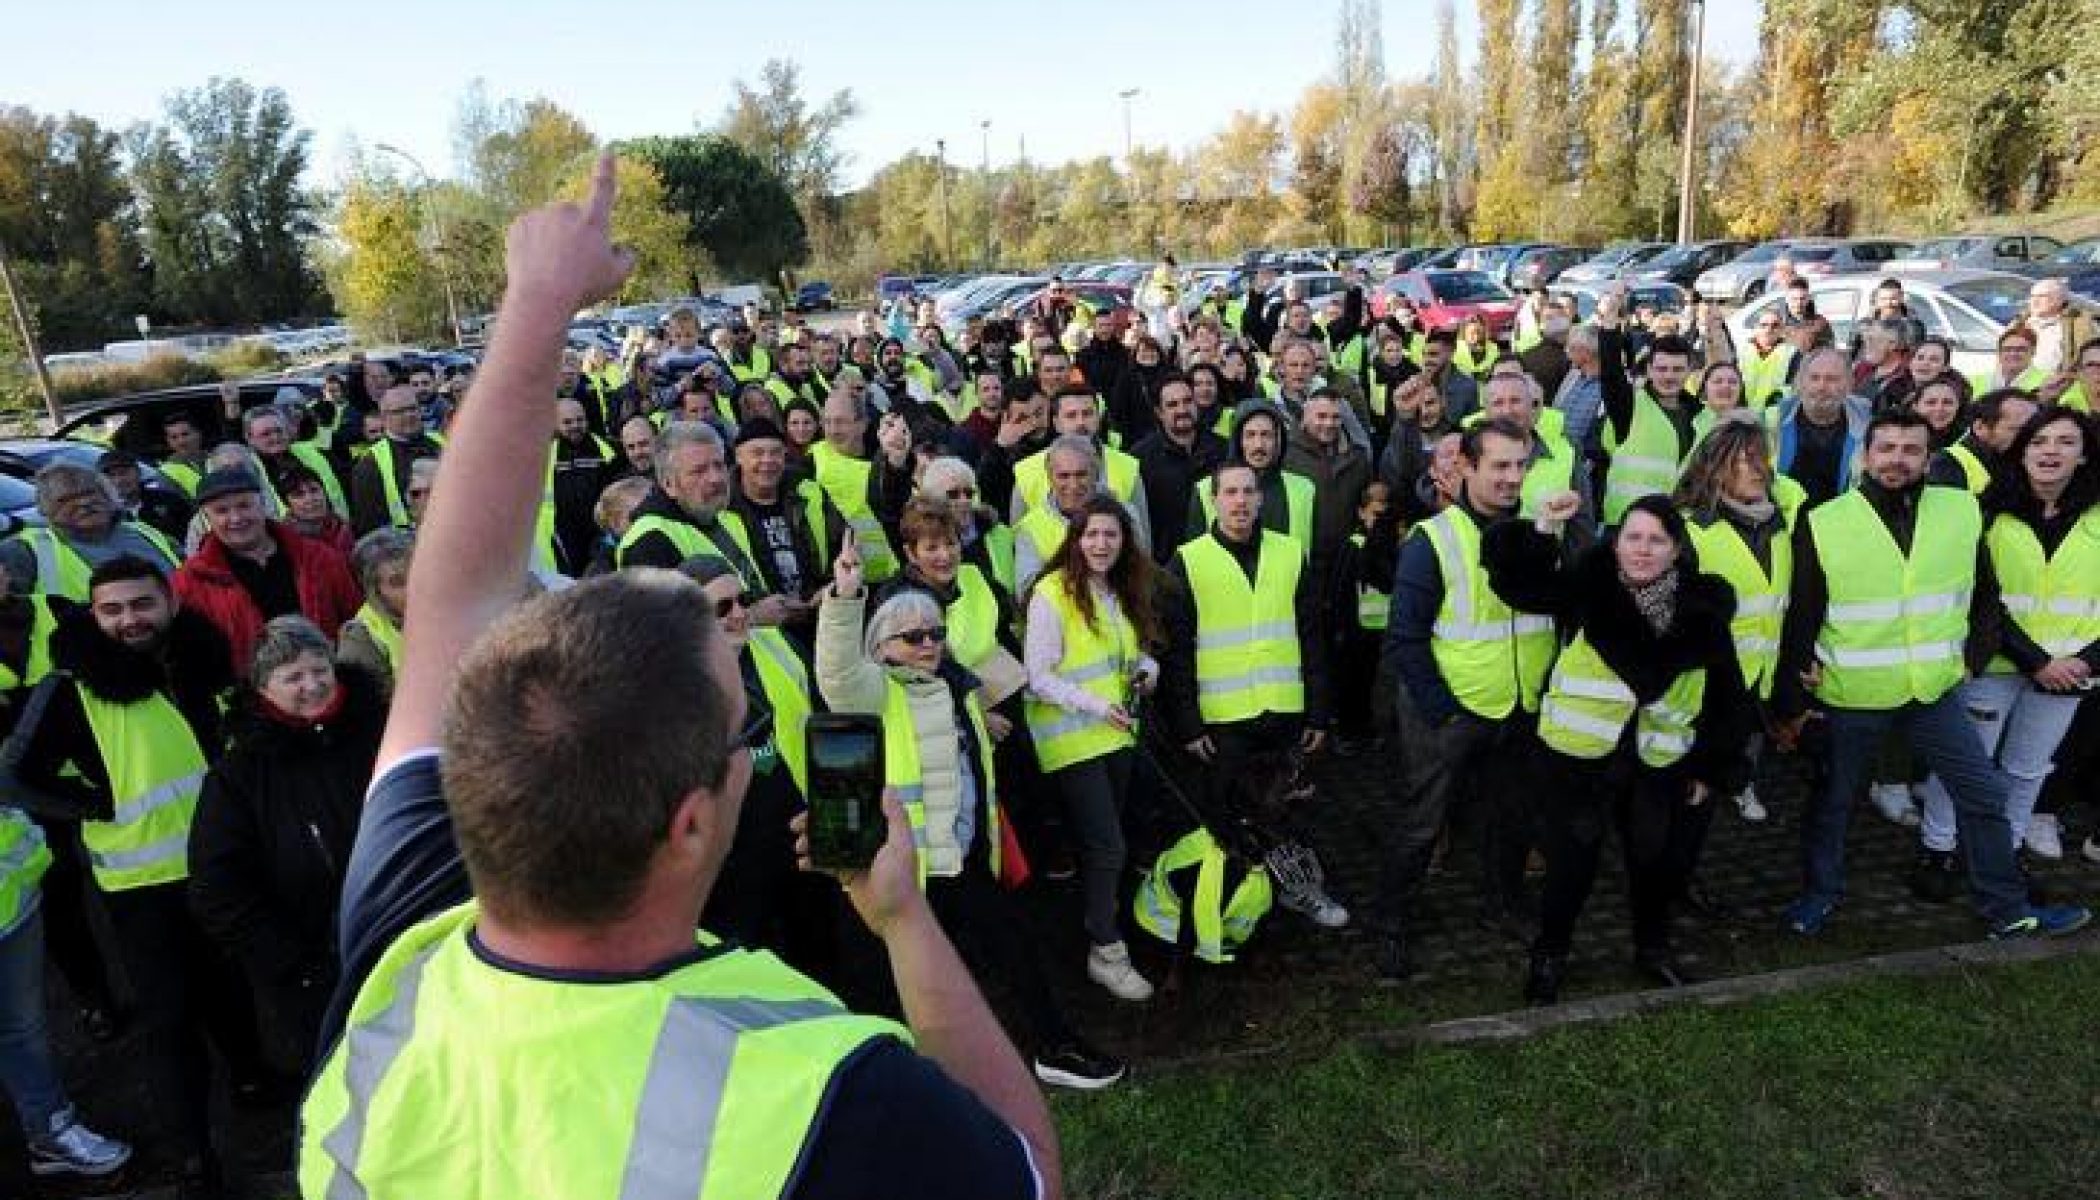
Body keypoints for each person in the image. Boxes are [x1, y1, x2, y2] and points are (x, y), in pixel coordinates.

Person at [302, 161, 1063, 1198]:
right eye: (736, 725)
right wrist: (905, 922)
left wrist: (535, 308)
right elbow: (1024, 1173)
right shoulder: (825, 1093)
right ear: (693, 824)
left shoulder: (401, 962)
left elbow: (452, 602)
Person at [818, 528, 1126, 1091]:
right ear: (882, 646)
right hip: (904, 873)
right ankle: (898, 1083)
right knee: (889, 983)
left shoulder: (953, 688)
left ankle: (1050, 1048)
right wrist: (843, 599)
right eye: (913, 637)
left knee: (1012, 954)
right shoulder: (873, 691)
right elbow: (837, 673)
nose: (929, 644)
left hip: (958, 861)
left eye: (935, 633)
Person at [1771, 410, 2090, 939]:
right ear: (1867, 455)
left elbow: (1986, 595)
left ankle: (2007, 909)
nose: (1897, 459)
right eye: (1887, 448)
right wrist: (1792, 700)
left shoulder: (1961, 509)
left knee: (1984, 795)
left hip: (1934, 692)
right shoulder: (1824, 519)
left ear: (1928, 456)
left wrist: (1972, 658)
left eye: (1911, 449)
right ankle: (1819, 895)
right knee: (1834, 802)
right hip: (1854, 693)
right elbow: (1803, 613)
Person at [15, 558, 264, 1192]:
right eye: (113, 610)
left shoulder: (199, 664)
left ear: (169, 603)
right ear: (94, 617)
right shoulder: (72, 688)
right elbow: (15, 774)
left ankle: (253, 1081)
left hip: (218, 868)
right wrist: (93, 804)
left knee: (230, 986)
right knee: (169, 1019)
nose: (130, 620)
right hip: (141, 886)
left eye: (142, 604)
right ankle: (190, 1154)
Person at [1483, 492, 1748, 1002]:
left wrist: (1714, 768)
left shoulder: (1702, 610)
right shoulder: (1589, 588)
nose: (1643, 550)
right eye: (1633, 537)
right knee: (1570, 867)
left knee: (1654, 864)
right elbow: (1519, 584)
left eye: (1656, 540)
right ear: (1616, 541)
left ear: (1676, 550)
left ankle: (1653, 951)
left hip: (1657, 764)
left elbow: (1726, 695)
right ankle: (1549, 956)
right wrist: (1541, 530)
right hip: (1579, 760)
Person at [1372, 419, 1558, 981]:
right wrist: (1441, 710)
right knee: (1421, 824)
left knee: (1512, 820)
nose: (1512, 477)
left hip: (1519, 708)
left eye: (1520, 465)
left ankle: (1501, 908)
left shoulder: (1534, 532)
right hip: (1451, 712)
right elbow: (1404, 637)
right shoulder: (1433, 540)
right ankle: (1390, 924)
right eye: (1499, 466)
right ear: (1466, 469)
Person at [189, 616, 382, 1076]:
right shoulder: (240, 775)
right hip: (316, 968)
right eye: (292, 677)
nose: (312, 686)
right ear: (263, 688)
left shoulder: (380, 731)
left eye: (320, 670)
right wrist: (294, 964)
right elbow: (218, 886)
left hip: (404, 932)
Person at [1159, 462, 1346, 928]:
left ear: (1261, 499)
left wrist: (1319, 714)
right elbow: (1178, 651)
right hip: (1223, 717)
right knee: (1227, 814)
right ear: (1213, 501)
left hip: (1285, 708)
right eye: (1230, 493)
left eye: (1248, 492)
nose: (1240, 501)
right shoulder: (1188, 560)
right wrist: (1189, 723)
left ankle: (1303, 890)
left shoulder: (1289, 553)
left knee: (1292, 808)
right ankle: (1241, 900)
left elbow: (1312, 637)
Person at [1913, 409, 2099, 869]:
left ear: (2084, 455)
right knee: (1965, 764)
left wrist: (2087, 660)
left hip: (2069, 672)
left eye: (2065, 441)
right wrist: (2035, 659)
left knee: (2027, 769)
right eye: (2038, 441)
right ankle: (1939, 849)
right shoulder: (1988, 512)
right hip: (1994, 664)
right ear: (2021, 453)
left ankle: (2006, 853)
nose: (2050, 450)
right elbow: (1979, 597)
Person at [1022, 496, 1162, 1001]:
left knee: (1108, 845)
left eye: (1111, 535)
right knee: (1108, 846)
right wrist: (1096, 706)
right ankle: (1106, 950)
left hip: (1117, 734)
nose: (1101, 544)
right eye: (1092, 535)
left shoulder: (1119, 591)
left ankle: (1103, 924)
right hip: (1073, 739)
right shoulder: (1051, 593)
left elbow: (1138, 653)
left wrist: (1147, 673)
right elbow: (1038, 676)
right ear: (1076, 541)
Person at [1675, 413, 1804, 824]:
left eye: (1759, 458)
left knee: (1733, 761)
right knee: (1687, 792)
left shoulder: (1781, 528)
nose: (1755, 469)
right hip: (1702, 689)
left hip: (1755, 683)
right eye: (1741, 460)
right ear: (1714, 468)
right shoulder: (1690, 532)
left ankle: (1738, 785)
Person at [173, 468, 364, 677]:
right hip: (250, 699)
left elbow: (355, 624)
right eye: (222, 511)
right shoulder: (189, 582)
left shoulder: (321, 558)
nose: (236, 518)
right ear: (207, 518)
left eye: (244, 505)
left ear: (263, 504)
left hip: (329, 682)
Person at [614, 420, 768, 589]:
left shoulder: (726, 516)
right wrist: (752, 614)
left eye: (719, 465)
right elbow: (662, 614)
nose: (715, 478)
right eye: (699, 471)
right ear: (669, 485)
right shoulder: (647, 542)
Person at [1, 464, 181, 600]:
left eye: (90, 493)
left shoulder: (145, 532)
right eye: (66, 499)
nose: (83, 503)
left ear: (108, 496)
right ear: (45, 509)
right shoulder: (28, 551)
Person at [809, 388, 916, 585]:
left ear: (862, 424)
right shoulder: (811, 461)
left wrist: (896, 460)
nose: (833, 430)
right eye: (827, 422)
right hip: (842, 581)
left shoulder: (892, 459)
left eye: (840, 421)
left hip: (892, 576)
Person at [1131, 372, 1229, 559]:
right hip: (1167, 566)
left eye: (1187, 401)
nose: (1182, 409)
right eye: (1172, 405)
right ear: (1159, 412)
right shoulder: (1140, 458)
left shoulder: (1224, 449)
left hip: (1218, 559)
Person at [1770, 347, 1871, 511]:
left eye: (1832, 379)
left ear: (1848, 385)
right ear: (1801, 382)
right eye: (1814, 378)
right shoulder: (1771, 421)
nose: (1821, 387)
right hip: (1783, 520)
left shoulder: (1868, 425)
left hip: (1841, 521)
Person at [349, 385, 444, 535]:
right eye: (399, 412)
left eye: (413, 408)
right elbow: (371, 527)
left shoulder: (440, 440)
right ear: (383, 417)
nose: (409, 415)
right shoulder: (370, 464)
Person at [338, 528, 414, 695]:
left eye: (417, 573)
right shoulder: (359, 636)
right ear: (376, 592)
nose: (414, 587)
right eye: (398, 582)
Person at [1927, 388, 2040, 496]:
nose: (2033, 437)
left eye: (2037, 429)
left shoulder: (2031, 461)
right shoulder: (1947, 464)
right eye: (2019, 429)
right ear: (1980, 427)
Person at [550, 397, 616, 575]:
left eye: (580, 420)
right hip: (562, 538)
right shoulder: (546, 454)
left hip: (599, 535)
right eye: (567, 422)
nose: (575, 426)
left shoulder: (605, 449)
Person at [98, 448, 191, 545]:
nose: (118, 481)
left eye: (123, 473)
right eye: (111, 476)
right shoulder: (101, 518)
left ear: (138, 472)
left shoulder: (170, 501)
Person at [279, 463, 356, 555]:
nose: (310, 499)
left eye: (314, 490)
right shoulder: (288, 542)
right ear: (288, 504)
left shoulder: (342, 526)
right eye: (299, 495)